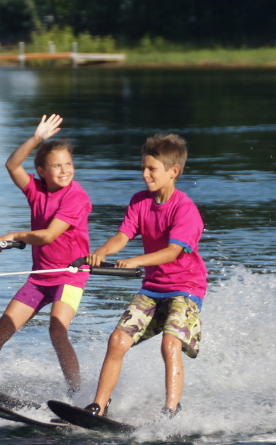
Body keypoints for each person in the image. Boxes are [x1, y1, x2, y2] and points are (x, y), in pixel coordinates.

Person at [0, 114, 92, 391]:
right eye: (56, 166)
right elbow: (12, 164)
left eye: (68, 164)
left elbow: (48, 236)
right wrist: (36, 139)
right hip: (39, 278)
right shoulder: (36, 191)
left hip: (71, 277)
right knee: (0, 331)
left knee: (57, 331)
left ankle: (76, 394)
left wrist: (15, 235)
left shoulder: (76, 197)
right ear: (41, 171)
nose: (64, 170)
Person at [85, 133, 205, 418]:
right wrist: (101, 252)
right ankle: (98, 407)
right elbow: (122, 235)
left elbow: (172, 252)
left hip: (185, 289)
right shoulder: (140, 201)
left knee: (169, 343)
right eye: (143, 167)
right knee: (117, 340)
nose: (145, 174)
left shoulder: (185, 209)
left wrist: (135, 261)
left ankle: (171, 410)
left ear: (173, 171)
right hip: (152, 289)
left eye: (151, 169)